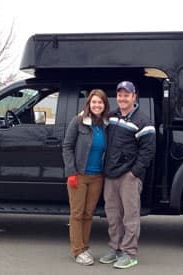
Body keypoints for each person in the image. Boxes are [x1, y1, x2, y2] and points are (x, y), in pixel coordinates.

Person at [99, 81, 155, 269]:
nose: (122, 98)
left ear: (134, 97)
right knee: (113, 215)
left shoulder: (143, 121)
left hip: (128, 176)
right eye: (120, 95)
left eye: (126, 95)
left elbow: (148, 151)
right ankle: (115, 249)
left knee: (130, 216)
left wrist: (134, 173)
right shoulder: (112, 117)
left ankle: (129, 253)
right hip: (110, 174)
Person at [62, 89, 110, 266]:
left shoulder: (105, 125)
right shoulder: (78, 121)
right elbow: (67, 147)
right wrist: (71, 173)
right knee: (77, 213)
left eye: (100, 102)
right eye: (94, 102)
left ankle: (85, 246)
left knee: (88, 214)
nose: (97, 105)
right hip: (79, 175)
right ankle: (78, 250)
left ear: (104, 105)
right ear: (89, 104)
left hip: (97, 176)